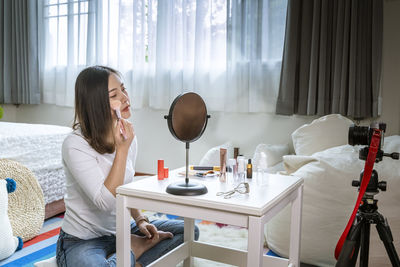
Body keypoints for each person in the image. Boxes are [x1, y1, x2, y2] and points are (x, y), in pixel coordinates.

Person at [56, 66, 199, 267]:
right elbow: (105, 201)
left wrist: (140, 220)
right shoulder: (75, 144)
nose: (125, 97)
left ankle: (127, 258)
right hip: (82, 240)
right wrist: (121, 150)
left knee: (189, 231)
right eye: (115, 94)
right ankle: (133, 250)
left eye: (123, 89)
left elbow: (125, 190)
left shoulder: (127, 136)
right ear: (96, 105)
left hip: (123, 230)